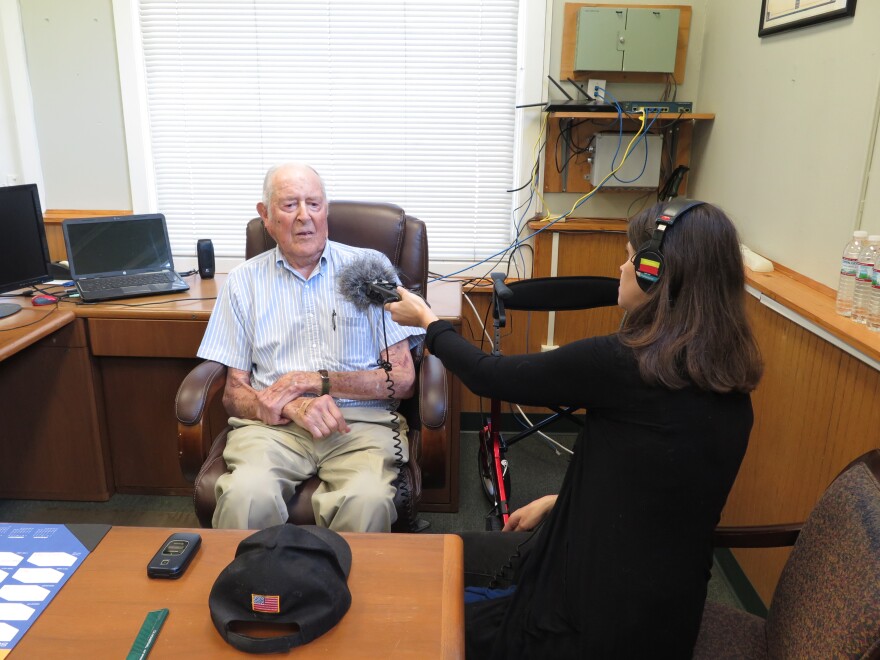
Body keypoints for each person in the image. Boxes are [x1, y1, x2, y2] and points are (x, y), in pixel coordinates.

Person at [387, 200, 763, 658]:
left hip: (588, 626)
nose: (621, 267)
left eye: (629, 257)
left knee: (414, 615)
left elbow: (491, 375)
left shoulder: (624, 364)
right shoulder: (732, 387)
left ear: (655, 273)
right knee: (444, 562)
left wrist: (428, 322)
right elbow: (654, 492)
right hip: (667, 621)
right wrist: (558, 500)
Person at [197, 163, 424, 532]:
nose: (305, 216)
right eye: (289, 206)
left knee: (367, 500)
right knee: (245, 495)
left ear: (326, 211)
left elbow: (402, 378)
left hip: (359, 425)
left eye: (314, 204)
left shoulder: (369, 269)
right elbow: (234, 392)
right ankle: (258, 591)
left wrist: (315, 381)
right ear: (265, 216)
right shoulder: (242, 283)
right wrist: (290, 404)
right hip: (274, 428)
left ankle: (341, 591)